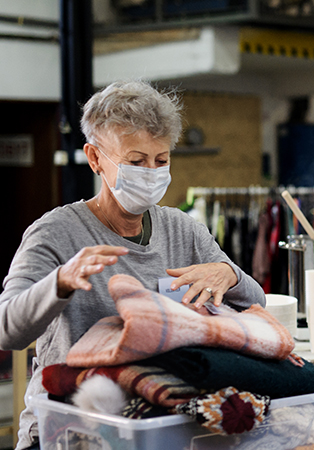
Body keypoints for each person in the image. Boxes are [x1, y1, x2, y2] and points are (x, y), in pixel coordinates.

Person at [0, 80, 266, 450]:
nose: (152, 173)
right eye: (136, 162)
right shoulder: (56, 233)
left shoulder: (183, 230)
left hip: (157, 425)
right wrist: (59, 283)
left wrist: (230, 274)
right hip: (72, 429)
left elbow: (255, 303)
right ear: (95, 159)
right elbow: (7, 329)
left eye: (162, 161)